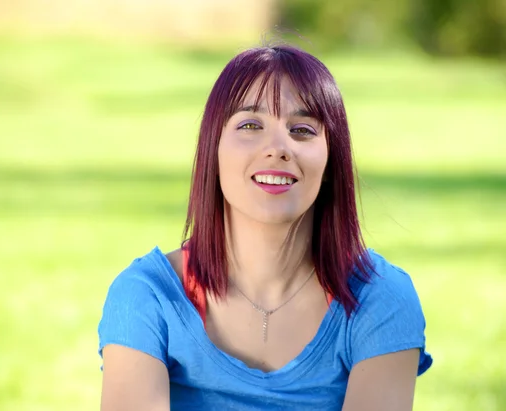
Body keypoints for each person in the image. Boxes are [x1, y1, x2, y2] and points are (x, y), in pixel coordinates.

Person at [97, 42, 433, 410]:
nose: (278, 147)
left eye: (302, 129)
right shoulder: (146, 296)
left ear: (330, 163)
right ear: (214, 150)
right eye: (251, 124)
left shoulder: (380, 298)